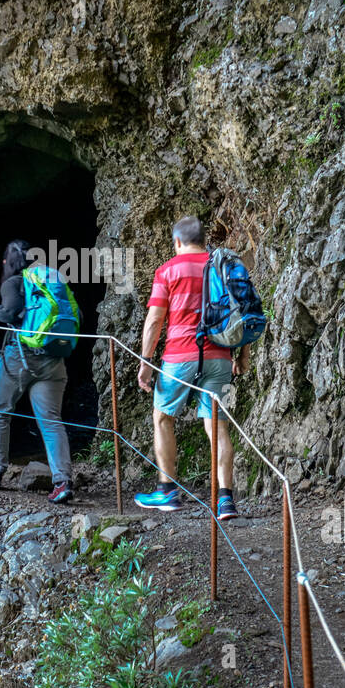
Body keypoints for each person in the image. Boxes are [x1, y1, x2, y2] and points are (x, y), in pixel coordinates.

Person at [135, 216, 250, 519]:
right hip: (220, 356)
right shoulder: (222, 266)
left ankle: (167, 492)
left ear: (176, 242)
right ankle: (225, 500)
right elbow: (244, 314)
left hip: (179, 356)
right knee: (217, 425)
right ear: (203, 239)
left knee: (162, 417)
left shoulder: (168, 271)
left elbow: (155, 321)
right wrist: (242, 356)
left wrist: (146, 363)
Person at [0, 239, 75, 504]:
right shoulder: (49, 281)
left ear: (7, 262)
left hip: (20, 358)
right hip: (53, 360)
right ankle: (63, 481)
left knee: (0, 412)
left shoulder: (12, 283)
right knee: (51, 420)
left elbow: (10, 312)